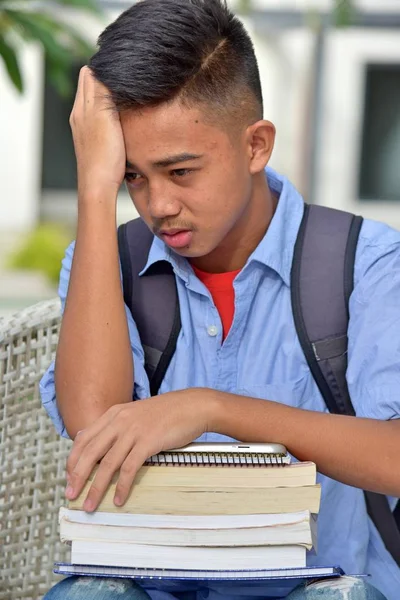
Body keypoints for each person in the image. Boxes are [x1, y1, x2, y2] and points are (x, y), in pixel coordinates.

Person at [40, 0, 400, 598]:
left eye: (180, 172)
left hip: (327, 586)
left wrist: (211, 409)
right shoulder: (109, 262)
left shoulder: (366, 264)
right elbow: (93, 424)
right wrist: (95, 189)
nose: (157, 205)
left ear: (256, 145)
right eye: (133, 175)